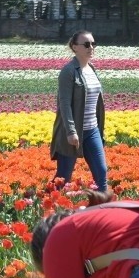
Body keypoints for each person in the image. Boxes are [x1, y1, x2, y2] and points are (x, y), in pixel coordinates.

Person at [50, 30, 108, 191]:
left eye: (93, 44)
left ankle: (100, 210)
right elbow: (64, 103)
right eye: (87, 44)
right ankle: (43, 205)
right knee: (63, 177)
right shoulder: (68, 71)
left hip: (92, 130)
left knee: (101, 172)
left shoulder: (92, 69)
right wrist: (71, 131)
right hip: (73, 132)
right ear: (75, 47)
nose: (91, 48)